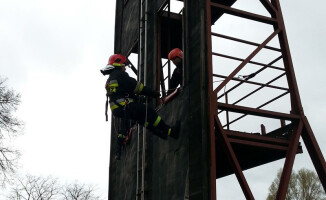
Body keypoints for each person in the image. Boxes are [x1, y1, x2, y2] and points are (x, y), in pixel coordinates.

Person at [101, 54, 179, 159]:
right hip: (125, 106)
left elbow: (123, 93)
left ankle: (164, 133)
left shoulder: (110, 79)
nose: (125, 68)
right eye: (124, 65)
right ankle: (169, 131)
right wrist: (153, 93)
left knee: (142, 119)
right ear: (118, 64)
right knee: (149, 112)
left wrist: (139, 99)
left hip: (118, 109)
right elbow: (137, 87)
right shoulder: (120, 75)